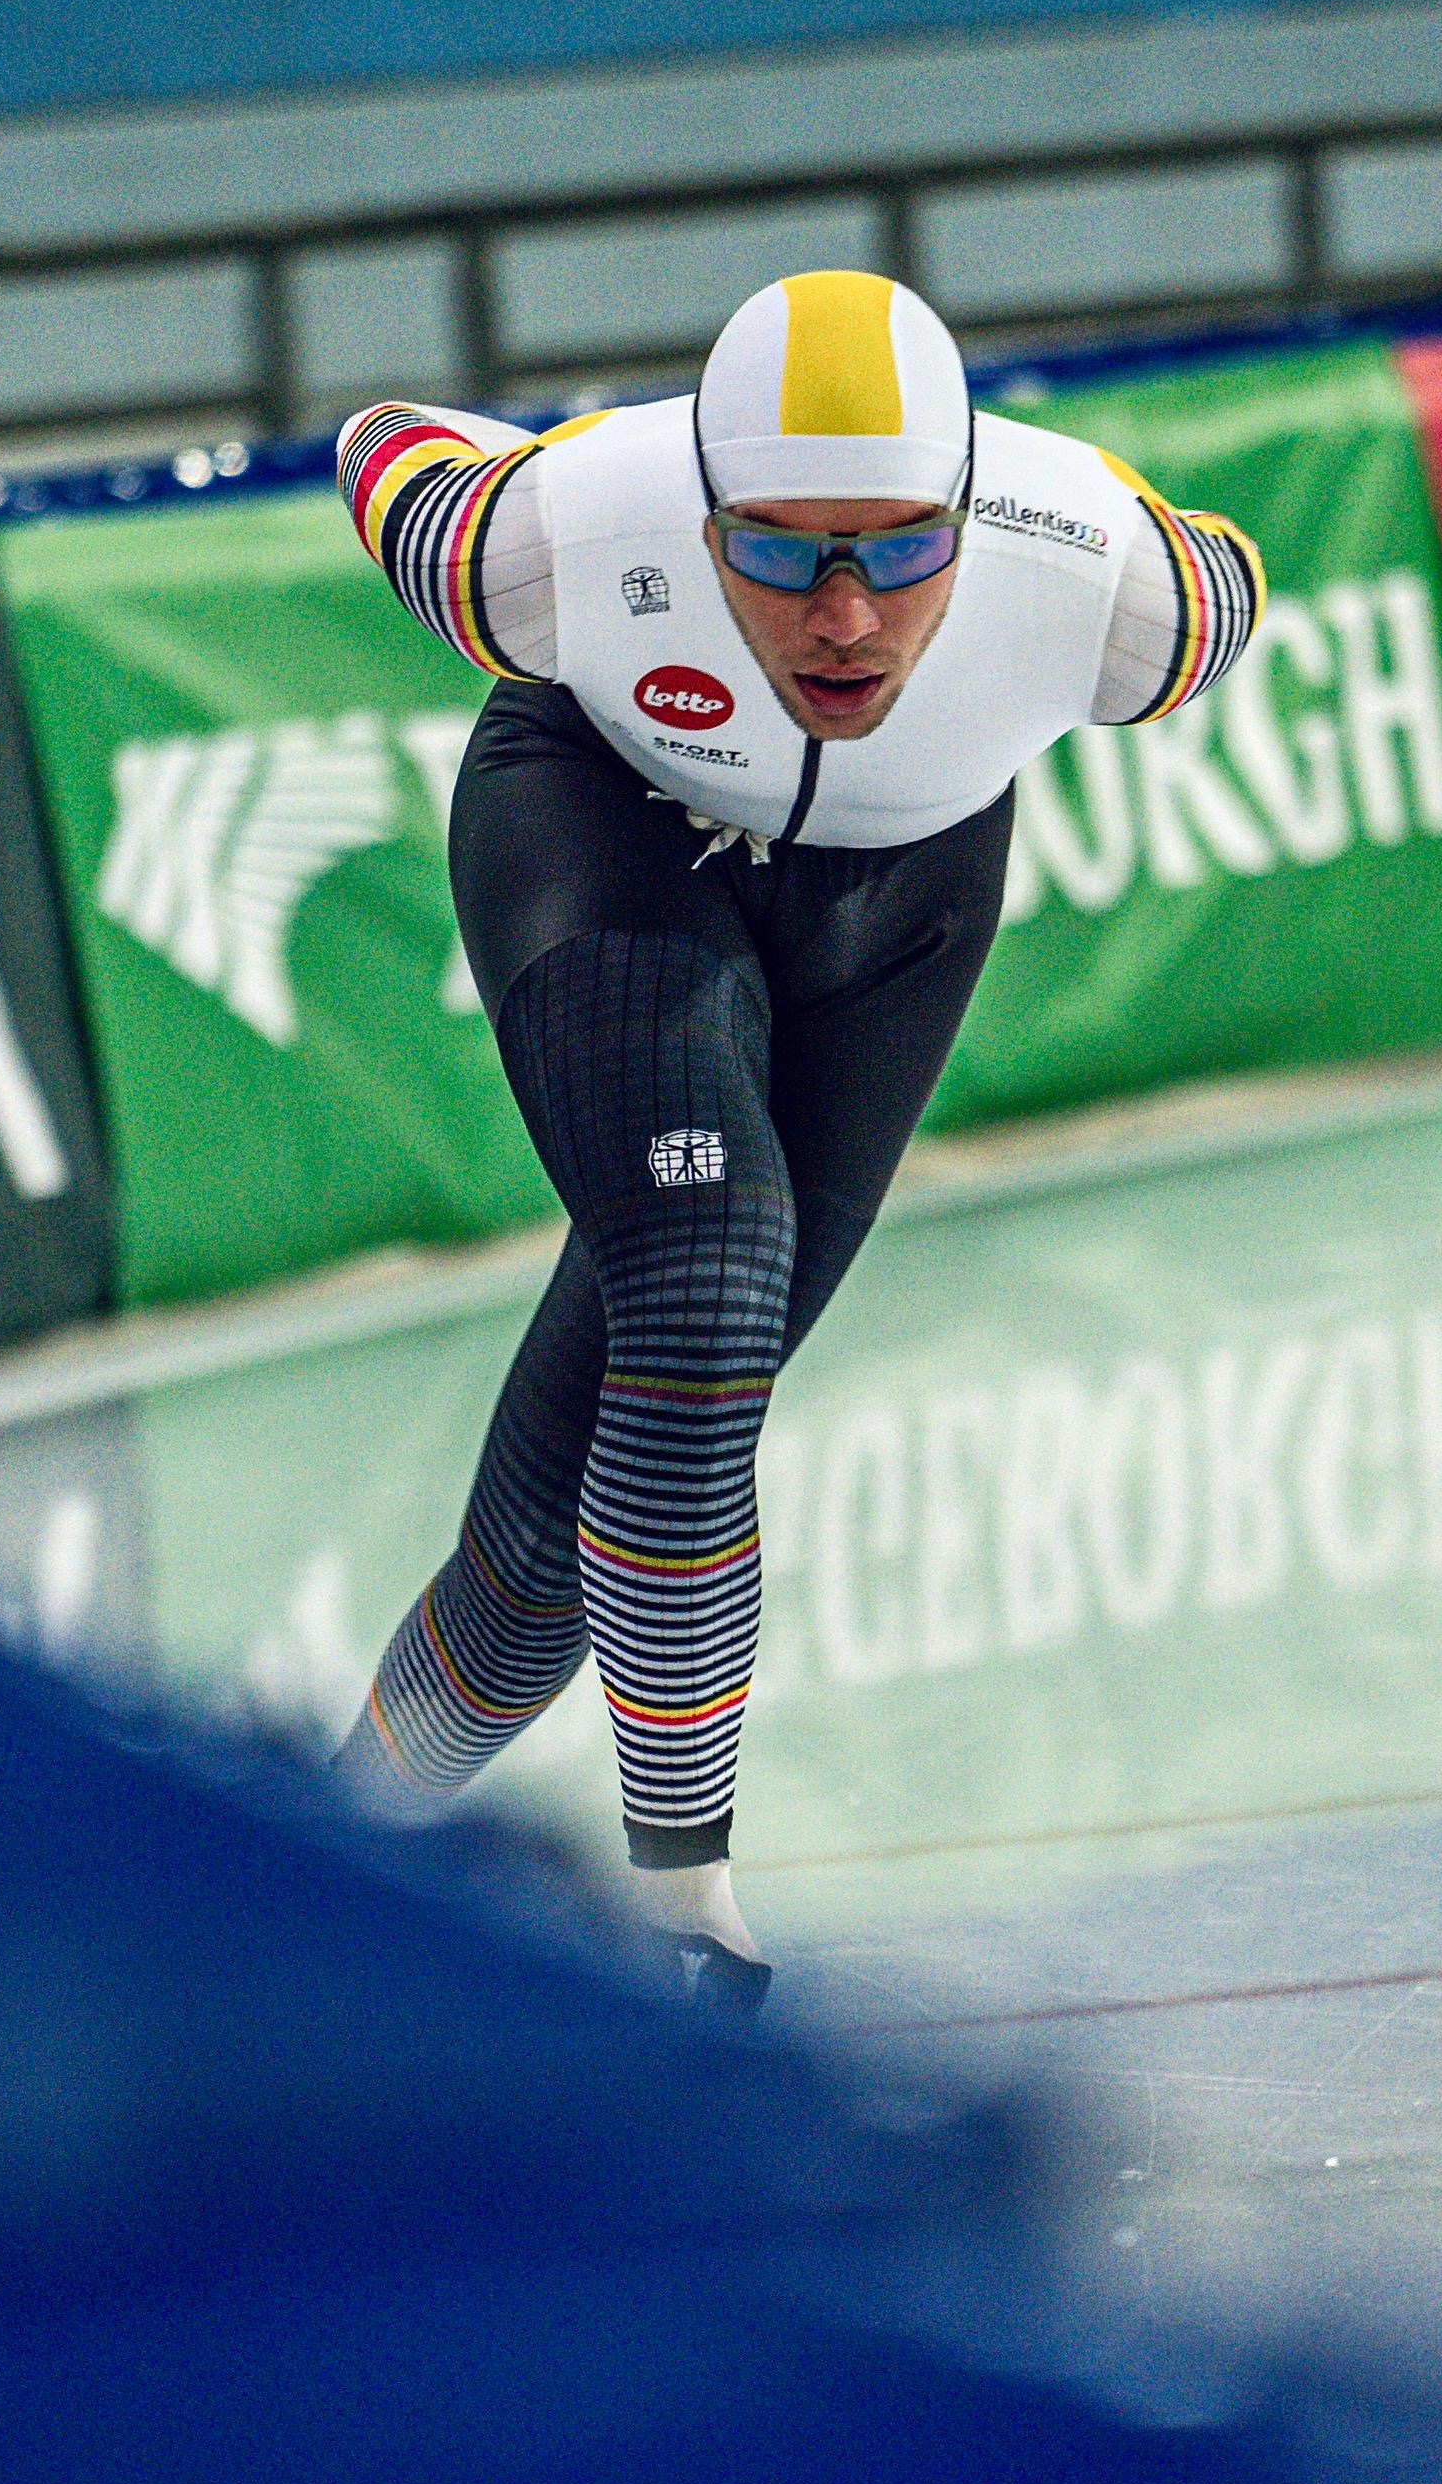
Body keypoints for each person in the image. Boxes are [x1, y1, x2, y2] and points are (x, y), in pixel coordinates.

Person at [330, 271, 1263, 2004]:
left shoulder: (1113, 602)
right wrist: (554, 461)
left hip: (894, 920)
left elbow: (1228, 571)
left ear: (979, 519)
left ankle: (318, 1849)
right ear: (697, 517)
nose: (846, 615)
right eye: (778, 553)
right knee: (710, 1268)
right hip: (607, 835)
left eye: (903, 551)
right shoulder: (547, 545)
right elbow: (383, 443)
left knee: (536, 1578)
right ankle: (689, 1923)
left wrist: (1121, 505)